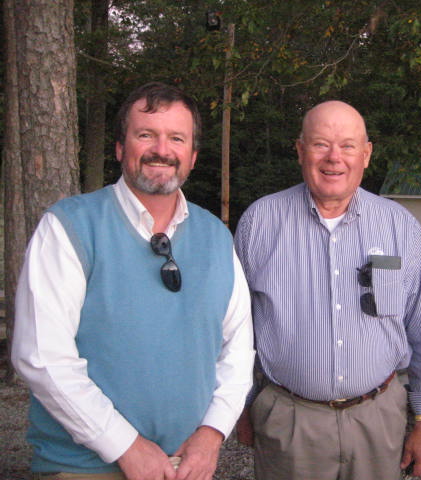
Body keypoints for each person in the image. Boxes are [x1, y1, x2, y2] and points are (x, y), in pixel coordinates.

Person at [12, 82, 255, 480]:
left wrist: (212, 434)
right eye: (146, 134)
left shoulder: (216, 238)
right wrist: (125, 445)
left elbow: (238, 351)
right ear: (121, 148)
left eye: (177, 138)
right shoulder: (70, 227)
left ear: (192, 156)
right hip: (83, 468)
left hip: (184, 465)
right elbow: (42, 356)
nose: (162, 149)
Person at [233, 100, 421, 480]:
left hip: (378, 418)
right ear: (300, 150)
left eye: (348, 146)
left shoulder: (399, 227)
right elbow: (235, 329)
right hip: (289, 422)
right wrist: (241, 407)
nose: (334, 158)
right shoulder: (260, 222)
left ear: (366, 154)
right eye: (320, 144)